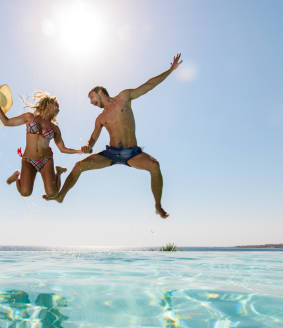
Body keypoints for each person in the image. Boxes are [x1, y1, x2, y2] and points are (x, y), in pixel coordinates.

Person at [45, 54, 182, 218]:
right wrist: (88, 146)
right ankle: (61, 195)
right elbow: (93, 138)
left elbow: (149, 85)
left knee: (154, 165)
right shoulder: (100, 118)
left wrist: (170, 70)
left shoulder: (124, 98)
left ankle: (158, 205)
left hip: (132, 153)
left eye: (92, 97)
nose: (91, 102)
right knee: (79, 165)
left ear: (100, 91)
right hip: (111, 153)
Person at [0, 90, 81, 197]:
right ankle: (16, 177)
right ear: (48, 105)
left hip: (46, 160)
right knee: (25, 192)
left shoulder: (55, 128)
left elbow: (62, 149)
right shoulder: (29, 117)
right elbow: (6, 122)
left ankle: (59, 172)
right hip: (29, 160)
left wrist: (79, 151)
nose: (59, 109)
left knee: (52, 193)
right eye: (57, 106)